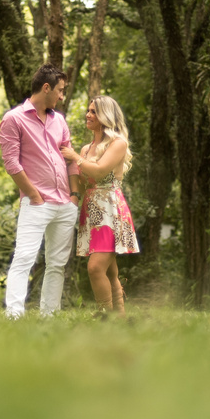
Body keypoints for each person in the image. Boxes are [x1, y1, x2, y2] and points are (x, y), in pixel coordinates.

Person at [0, 64, 81, 318]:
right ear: (46, 88)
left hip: (65, 204)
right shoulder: (14, 119)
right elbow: (11, 163)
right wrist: (33, 195)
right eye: (60, 91)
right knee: (24, 257)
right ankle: (13, 315)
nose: (61, 96)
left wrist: (74, 196)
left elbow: (71, 159)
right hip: (36, 203)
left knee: (57, 264)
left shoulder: (60, 120)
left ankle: (50, 315)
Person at [60, 96, 139, 315]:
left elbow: (100, 171)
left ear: (106, 116)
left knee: (95, 268)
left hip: (111, 212)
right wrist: (73, 187)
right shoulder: (86, 150)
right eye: (88, 110)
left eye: (93, 111)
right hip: (92, 211)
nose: (88, 115)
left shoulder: (118, 143)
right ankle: (119, 320)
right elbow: (86, 181)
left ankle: (106, 317)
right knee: (111, 272)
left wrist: (74, 157)